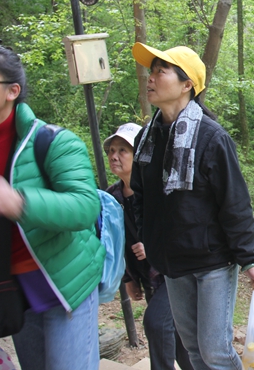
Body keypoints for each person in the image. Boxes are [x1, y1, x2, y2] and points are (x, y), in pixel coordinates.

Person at [129, 42, 254, 370]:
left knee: (215, 351)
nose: (151, 77)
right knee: (193, 350)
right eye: (151, 70)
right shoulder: (146, 139)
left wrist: (249, 260)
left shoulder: (211, 137)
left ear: (187, 84)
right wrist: (148, 240)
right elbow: (140, 196)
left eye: (161, 71)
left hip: (212, 262)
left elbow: (234, 201)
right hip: (172, 263)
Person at [0, 42, 104, 369]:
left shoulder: (53, 141)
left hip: (63, 284)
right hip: (13, 290)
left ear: (12, 91)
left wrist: (19, 202)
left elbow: (86, 205)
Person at [105, 123, 193, 370]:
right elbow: (115, 243)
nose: (114, 156)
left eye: (123, 150)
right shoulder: (112, 198)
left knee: (156, 323)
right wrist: (128, 279)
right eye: (112, 150)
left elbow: (182, 228)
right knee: (177, 341)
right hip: (149, 279)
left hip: (174, 274)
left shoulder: (159, 190)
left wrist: (154, 245)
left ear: (139, 155)